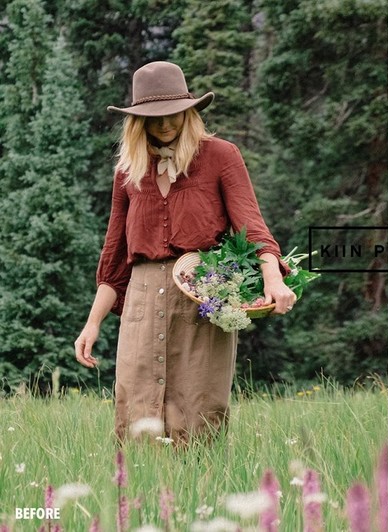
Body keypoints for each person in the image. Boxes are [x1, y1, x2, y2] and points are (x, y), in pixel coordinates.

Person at [74, 61, 296, 443]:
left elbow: (251, 226)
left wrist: (273, 279)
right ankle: (138, 496)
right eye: (153, 118)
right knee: (136, 408)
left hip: (201, 297)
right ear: (137, 122)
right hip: (141, 304)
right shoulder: (127, 173)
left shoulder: (221, 156)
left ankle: (199, 495)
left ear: (189, 110)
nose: (164, 125)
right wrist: (92, 324)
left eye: (173, 114)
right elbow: (114, 260)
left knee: (199, 407)